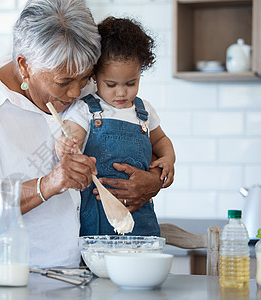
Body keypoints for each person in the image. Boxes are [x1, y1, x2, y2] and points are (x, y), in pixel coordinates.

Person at [0, 0, 163, 269]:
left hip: (68, 279)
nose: (77, 92)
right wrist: (47, 184)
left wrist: (153, 182)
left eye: (85, 77)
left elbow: (147, 147)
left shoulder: (88, 90)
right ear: (24, 66)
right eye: (64, 82)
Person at [56, 17, 175, 237]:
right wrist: (67, 144)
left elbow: (160, 140)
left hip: (141, 214)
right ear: (95, 76)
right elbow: (73, 135)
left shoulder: (144, 111)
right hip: (99, 216)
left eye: (131, 83)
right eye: (111, 85)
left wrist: (168, 158)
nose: (121, 93)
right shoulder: (86, 109)